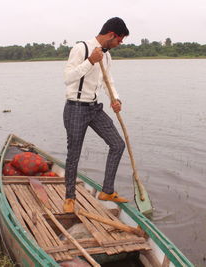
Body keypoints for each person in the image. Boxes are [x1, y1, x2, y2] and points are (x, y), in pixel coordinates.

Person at [63, 17, 130, 213]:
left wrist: (115, 99)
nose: (120, 44)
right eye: (119, 40)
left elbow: (108, 80)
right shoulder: (81, 48)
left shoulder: (107, 56)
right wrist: (90, 61)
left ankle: (107, 191)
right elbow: (68, 78)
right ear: (111, 35)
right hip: (75, 108)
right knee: (73, 155)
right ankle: (69, 198)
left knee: (118, 144)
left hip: (94, 108)